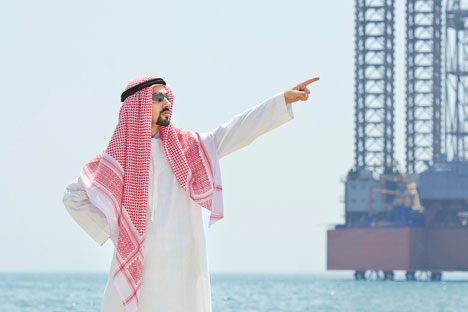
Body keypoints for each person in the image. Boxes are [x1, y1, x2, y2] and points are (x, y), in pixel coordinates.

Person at [62, 75, 319, 312]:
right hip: (139, 261)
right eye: (158, 97)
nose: (166, 102)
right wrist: (117, 231)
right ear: (137, 107)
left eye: (167, 97)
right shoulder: (118, 158)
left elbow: (234, 131)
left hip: (184, 264)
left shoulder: (189, 149)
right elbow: (74, 196)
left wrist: (281, 101)